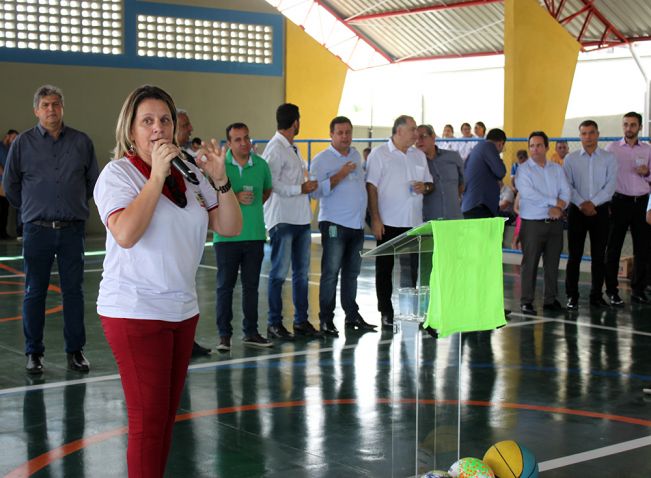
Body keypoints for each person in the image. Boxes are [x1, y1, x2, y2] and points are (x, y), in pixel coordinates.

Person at [93, 85, 241, 477]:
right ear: (131, 130)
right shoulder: (117, 174)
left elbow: (229, 226)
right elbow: (126, 233)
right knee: (148, 423)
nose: (158, 128)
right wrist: (157, 175)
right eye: (147, 121)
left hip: (181, 310)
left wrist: (221, 179)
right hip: (135, 311)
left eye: (165, 120)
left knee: (163, 421)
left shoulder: (190, 172)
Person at [2, 85, 99, 374]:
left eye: (56, 104)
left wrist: (73, 203)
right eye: (45, 105)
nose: (51, 109)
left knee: (74, 292)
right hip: (37, 231)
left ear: (62, 108)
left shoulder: (81, 142)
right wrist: (32, 208)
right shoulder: (22, 143)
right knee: (34, 292)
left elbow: (93, 183)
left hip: (72, 230)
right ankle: (34, 353)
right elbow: (10, 185)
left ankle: (75, 351)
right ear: (36, 110)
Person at [310, 116, 375, 337]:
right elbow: (315, 192)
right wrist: (340, 175)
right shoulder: (321, 160)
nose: (345, 136)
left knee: (352, 273)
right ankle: (326, 319)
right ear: (331, 134)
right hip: (334, 225)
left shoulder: (356, 155)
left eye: (348, 132)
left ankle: (352, 315)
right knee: (331, 273)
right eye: (340, 133)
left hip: (356, 226)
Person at [366, 115, 433, 329]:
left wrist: (425, 187)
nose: (416, 134)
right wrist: (376, 219)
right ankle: (386, 312)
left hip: (414, 223)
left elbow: (430, 184)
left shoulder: (418, 155)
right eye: (413, 129)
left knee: (414, 269)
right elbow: (371, 187)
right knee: (384, 269)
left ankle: (413, 310)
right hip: (388, 222)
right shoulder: (379, 154)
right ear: (399, 131)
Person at [215, 122, 274, 351]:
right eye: (238, 139)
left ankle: (251, 332)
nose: (244, 143)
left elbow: (267, 190)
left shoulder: (261, 165)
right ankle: (224, 336)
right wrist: (234, 198)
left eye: (246, 138)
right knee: (225, 287)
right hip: (226, 237)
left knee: (251, 287)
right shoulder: (221, 166)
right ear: (229, 143)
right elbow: (210, 197)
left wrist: (254, 206)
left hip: (255, 235)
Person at [263, 103, 319, 340]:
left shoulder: (291, 148)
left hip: (300, 219)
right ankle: (274, 323)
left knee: (301, 274)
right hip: (283, 219)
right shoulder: (275, 148)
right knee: (278, 273)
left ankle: (301, 321)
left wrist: (304, 186)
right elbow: (271, 183)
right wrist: (300, 188)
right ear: (295, 122)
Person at [563, 120, 617, 310]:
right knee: (574, 256)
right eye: (584, 133)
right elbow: (567, 186)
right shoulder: (570, 159)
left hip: (600, 211)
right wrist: (582, 203)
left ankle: (596, 296)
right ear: (580, 136)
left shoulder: (609, 158)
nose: (588, 137)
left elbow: (610, 186)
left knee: (598, 256)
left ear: (598, 134)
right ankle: (572, 296)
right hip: (577, 211)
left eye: (591, 133)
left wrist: (592, 204)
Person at [516, 131, 570, 314]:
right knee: (530, 263)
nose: (535, 149)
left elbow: (566, 191)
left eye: (539, 145)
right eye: (531, 146)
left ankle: (550, 300)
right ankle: (526, 301)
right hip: (532, 223)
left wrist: (560, 207)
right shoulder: (524, 170)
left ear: (547, 147)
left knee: (552, 263)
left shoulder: (557, 169)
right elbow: (529, 194)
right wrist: (554, 203)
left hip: (555, 223)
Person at [173, 109, 211, 356]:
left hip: (188, 244)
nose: (190, 129)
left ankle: (187, 338)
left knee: (187, 289)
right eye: (185, 125)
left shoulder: (188, 162)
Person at [604, 112, 651, 306]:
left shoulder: (648, 149)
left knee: (643, 249)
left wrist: (647, 173)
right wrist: (607, 203)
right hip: (619, 202)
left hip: (642, 203)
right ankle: (612, 291)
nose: (628, 128)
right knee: (613, 248)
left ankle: (638, 291)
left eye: (632, 124)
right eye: (625, 124)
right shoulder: (612, 148)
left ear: (640, 127)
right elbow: (604, 176)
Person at [415, 124, 464, 220]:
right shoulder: (413, 163)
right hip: (428, 221)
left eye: (423, 136)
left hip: (455, 218)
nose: (418, 141)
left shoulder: (453, 157)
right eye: (415, 138)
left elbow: (462, 184)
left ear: (433, 137)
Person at [461, 128, 508, 219]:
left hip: (471, 204)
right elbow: (501, 171)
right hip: (479, 206)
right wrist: (500, 160)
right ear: (500, 143)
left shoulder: (478, 148)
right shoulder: (489, 147)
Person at [0, 129, 19, 239]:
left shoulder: (10, 149)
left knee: (5, 209)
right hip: (0, 183)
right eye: (13, 137)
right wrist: (4, 174)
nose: (14, 140)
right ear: (7, 136)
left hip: (6, 185)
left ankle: (3, 233)